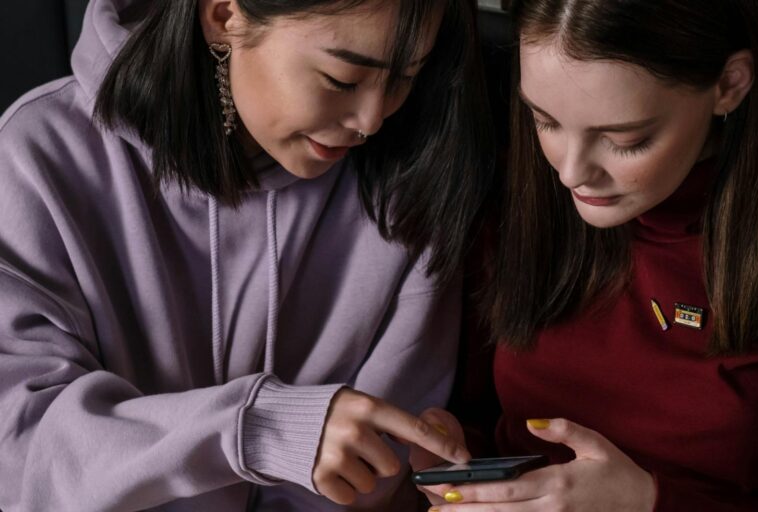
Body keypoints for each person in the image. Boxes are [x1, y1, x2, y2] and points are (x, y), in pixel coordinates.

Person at [0, 0, 492, 510]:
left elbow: (377, 481)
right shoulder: (39, 161)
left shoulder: (408, 184)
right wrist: (256, 429)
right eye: (342, 79)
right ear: (223, 16)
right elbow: (19, 456)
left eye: (402, 79)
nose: (371, 120)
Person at [410, 0, 758, 510]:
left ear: (729, 84)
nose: (571, 173)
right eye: (545, 121)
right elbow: (486, 421)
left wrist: (649, 502)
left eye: (625, 140)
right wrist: (457, 456)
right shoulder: (518, 203)